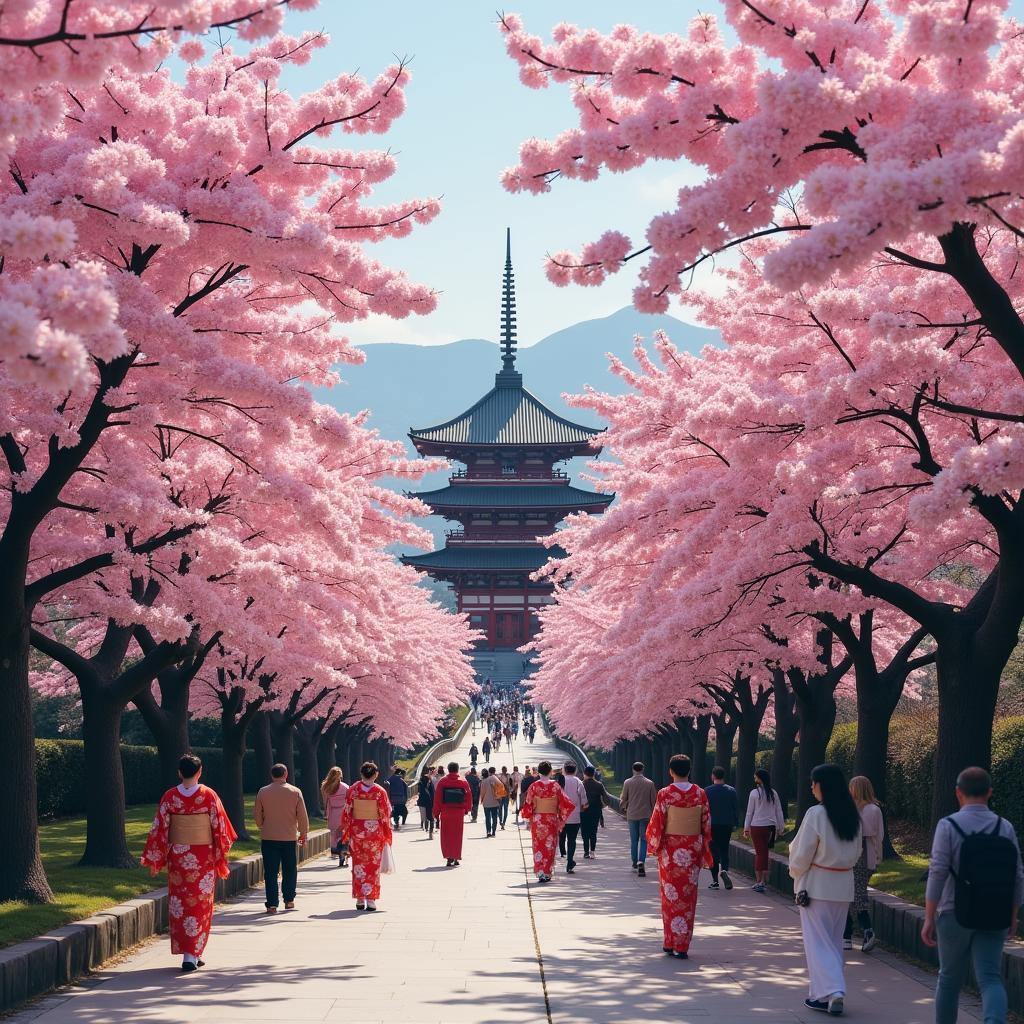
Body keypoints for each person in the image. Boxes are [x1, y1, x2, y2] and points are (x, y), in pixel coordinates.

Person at [922, 766, 1024, 1024]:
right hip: (995, 912)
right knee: (990, 977)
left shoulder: (948, 826)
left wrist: (929, 916)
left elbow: (938, 873)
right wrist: (1013, 915)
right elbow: (1018, 875)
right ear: (989, 792)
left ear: (958, 793)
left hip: (954, 912)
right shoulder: (1005, 827)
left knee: (949, 979)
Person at [142, 753, 237, 972]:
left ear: (179, 772)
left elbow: (160, 828)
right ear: (200, 772)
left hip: (178, 857)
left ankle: (190, 953)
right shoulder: (208, 795)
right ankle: (192, 954)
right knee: (201, 904)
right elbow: (220, 828)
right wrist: (220, 851)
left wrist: (159, 854)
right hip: (203, 856)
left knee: (180, 903)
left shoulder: (170, 796)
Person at [788, 763, 863, 1017]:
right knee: (832, 941)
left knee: (818, 943)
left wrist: (796, 872)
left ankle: (833, 990)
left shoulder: (816, 814)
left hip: (817, 885)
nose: (811, 787)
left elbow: (801, 853)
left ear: (823, 785)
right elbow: (858, 852)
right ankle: (821, 994)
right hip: (843, 885)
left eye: (814, 782)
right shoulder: (853, 815)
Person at [646, 754, 713, 959]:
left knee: (669, 894)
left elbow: (657, 822)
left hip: (671, 850)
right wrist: (703, 847)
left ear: (671, 771)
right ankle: (681, 945)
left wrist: (653, 844)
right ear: (689, 770)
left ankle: (669, 941)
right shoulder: (700, 793)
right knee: (688, 895)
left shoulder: (665, 794)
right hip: (691, 849)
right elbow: (706, 823)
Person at [254, 763, 309, 913]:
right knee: (290, 869)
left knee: (270, 871)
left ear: (272, 775)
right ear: (286, 774)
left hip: (269, 836)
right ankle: (289, 899)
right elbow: (302, 816)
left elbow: (258, 816)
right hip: (289, 836)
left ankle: (272, 903)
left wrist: (261, 825)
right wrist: (303, 833)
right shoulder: (295, 791)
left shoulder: (263, 792)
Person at [340, 761, 393, 911]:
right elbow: (386, 813)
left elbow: (346, 813)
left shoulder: (353, 790)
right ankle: (371, 900)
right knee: (373, 867)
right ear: (376, 774)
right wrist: (385, 831)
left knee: (358, 867)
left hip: (357, 833)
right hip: (375, 834)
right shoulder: (380, 791)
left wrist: (347, 832)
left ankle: (359, 899)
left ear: (361, 773)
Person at [844, 775, 884, 952]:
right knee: (849, 894)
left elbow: (866, 831)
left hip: (862, 857)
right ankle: (846, 935)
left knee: (856, 895)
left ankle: (867, 931)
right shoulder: (860, 809)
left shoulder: (870, 809)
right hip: (855, 857)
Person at [521, 761, 575, 883]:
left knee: (538, 846)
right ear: (550, 771)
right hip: (551, 820)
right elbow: (566, 803)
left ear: (539, 772)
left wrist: (528, 816)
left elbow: (528, 804)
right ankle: (547, 872)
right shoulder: (555, 786)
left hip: (538, 820)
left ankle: (540, 872)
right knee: (550, 846)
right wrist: (561, 817)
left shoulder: (534, 786)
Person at [744, 768, 786, 893]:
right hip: (771, 827)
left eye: (756, 777)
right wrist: (780, 827)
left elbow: (749, 812)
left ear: (759, 778)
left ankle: (759, 881)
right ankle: (764, 880)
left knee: (759, 853)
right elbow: (779, 810)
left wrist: (746, 828)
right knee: (766, 852)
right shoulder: (773, 793)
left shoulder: (754, 793)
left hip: (757, 826)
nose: (754, 779)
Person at [620, 761, 657, 877]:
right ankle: (642, 861)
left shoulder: (628, 782)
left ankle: (634, 863)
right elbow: (653, 801)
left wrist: (624, 806)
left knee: (634, 840)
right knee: (644, 840)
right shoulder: (650, 783)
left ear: (633, 769)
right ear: (642, 770)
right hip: (645, 815)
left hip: (632, 815)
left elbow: (623, 799)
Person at [705, 766, 739, 891]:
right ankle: (724, 870)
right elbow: (735, 808)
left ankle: (715, 881)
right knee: (724, 849)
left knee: (713, 852)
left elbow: (704, 809)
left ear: (713, 776)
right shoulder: (731, 790)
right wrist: (735, 823)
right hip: (727, 824)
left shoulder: (707, 791)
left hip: (712, 825)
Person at [433, 761, 473, 866]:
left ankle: (448, 857)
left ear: (448, 769)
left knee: (446, 835)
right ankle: (456, 857)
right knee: (457, 836)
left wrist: (436, 813)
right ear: (457, 769)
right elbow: (468, 796)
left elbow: (437, 798)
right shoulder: (463, 782)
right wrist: (467, 810)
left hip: (445, 811)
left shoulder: (442, 781)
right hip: (458, 812)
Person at [560, 761, 588, 873]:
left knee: (562, 837)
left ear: (565, 770)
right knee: (572, 840)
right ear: (575, 770)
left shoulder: (560, 781)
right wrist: (583, 808)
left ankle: (563, 853)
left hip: (562, 815)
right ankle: (570, 861)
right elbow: (584, 799)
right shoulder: (578, 782)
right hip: (574, 816)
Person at [320, 766, 349, 869]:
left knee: (333, 833)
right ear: (340, 775)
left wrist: (326, 813)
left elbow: (325, 801)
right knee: (343, 833)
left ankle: (336, 849)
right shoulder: (345, 787)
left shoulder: (325, 786)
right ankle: (344, 850)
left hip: (333, 811)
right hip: (343, 812)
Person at [581, 765, 608, 860]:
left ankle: (586, 852)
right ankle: (592, 851)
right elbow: (606, 798)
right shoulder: (599, 785)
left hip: (583, 811)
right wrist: (603, 805)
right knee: (593, 831)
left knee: (585, 832)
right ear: (593, 774)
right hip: (595, 811)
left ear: (584, 774)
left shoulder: (581, 784)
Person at [480, 766, 501, 837]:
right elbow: (500, 784)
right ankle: (494, 832)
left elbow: (482, 792)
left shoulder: (483, 781)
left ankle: (488, 831)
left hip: (486, 803)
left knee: (487, 818)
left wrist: (481, 799)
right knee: (494, 817)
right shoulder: (493, 778)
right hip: (495, 802)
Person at [417, 768, 436, 838]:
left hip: (422, 801)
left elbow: (419, 792)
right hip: (429, 801)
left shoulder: (420, 782)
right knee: (430, 817)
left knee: (424, 816)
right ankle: (431, 833)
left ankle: (425, 827)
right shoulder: (430, 781)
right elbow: (433, 793)